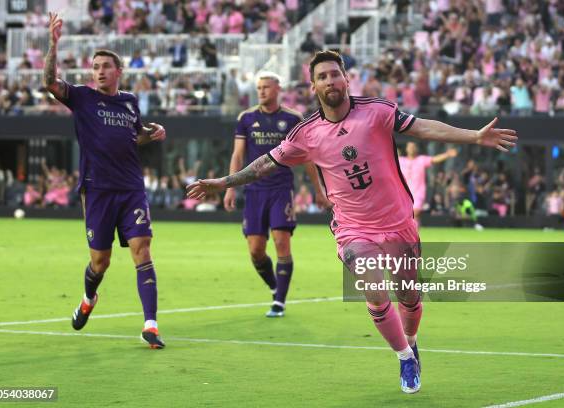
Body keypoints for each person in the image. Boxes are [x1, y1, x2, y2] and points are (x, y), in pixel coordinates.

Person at [187, 51, 517, 393]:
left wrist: (474, 136)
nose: (330, 81)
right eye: (323, 77)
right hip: (353, 228)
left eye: (334, 74)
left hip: (399, 221)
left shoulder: (377, 111)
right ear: (314, 86)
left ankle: (412, 339)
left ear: (346, 79)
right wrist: (224, 182)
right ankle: (404, 357)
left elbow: (424, 128)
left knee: (409, 295)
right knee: (374, 289)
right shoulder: (306, 132)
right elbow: (264, 164)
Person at [43, 12, 167, 349]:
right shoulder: (82, 96)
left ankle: (151, 325)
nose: (99, 71)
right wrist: (53, 45)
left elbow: (133, 136)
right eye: (95, 66)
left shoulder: (129, 102)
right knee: (101, 261)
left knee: (142, 251)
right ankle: (88, 297)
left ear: (118, 72)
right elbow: (50, 83)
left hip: (131, 189)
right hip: (97, 189)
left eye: (105, 66)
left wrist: (151, 133)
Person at [224, 71, 330, 317]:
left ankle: (279, 302)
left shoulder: (293, 118)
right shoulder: (246, 118)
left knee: (282, 242)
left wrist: (318, 190)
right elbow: (238, 155)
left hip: (281, 190)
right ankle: (275, 286)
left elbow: (307, 157)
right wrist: (231, 186)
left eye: (266, 87)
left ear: (277, 89)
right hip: (253, 191)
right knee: (255, 250)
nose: (261, 91)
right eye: (259, 87)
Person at [399, 142, 457, 227]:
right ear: (406, 149)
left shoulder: (421, 160)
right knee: (408, 217)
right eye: (410, 147)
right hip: (403, 193)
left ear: (416, 149)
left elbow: (434, 159)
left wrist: (447, 154)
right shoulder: (401, 160)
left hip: (418, 192)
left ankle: (414, 237)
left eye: (413, 146)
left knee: (415, 213)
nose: (412, 148)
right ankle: (412, 235)